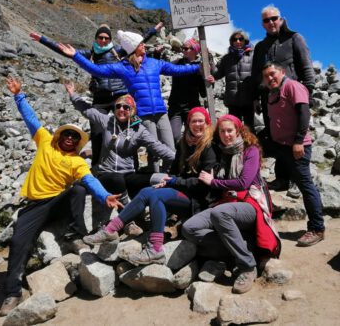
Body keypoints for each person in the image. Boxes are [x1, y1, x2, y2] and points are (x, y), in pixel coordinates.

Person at [0, 76, 122, 317]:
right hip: (35, 204)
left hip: (59, 202)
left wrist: (105, 196)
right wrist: (18, 95)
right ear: (59, 135)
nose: (69, 138)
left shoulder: (77, 161)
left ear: (77, 143)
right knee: (18, 242)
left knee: (77, 189)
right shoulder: (45, 141)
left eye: (74, 137)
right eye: (66, 134)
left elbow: (90, 180)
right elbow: (31, 119)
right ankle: (13, 293)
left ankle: (75, 233)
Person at [82, 107, 218, 266]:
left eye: (201, 121)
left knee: (156, 195)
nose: (197, 124)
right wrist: (168, 181)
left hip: (198, 200)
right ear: (188, 124)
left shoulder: (210, 147)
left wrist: (175, 182)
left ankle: (155, 248)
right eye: (193, 121)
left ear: (207, 123)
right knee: (148, 191)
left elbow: (203, 184)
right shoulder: (183, 143)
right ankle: (111, 230)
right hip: (183, 192)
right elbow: (174, 172)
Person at [58, 31, 201, 171]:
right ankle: (155, 178)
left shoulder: (153, 63)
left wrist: (200, 67)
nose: (144, 45)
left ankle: (171, 176)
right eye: (140, 43)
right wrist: (76, 56)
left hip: (161, 112)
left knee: (169, 147)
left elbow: (177, 70)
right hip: (144, 115)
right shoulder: (123, 67)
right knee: (153, 151)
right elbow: (96, 70)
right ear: (134, 47)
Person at [30, 22, 164, 166]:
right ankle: (97, 166)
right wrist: (42, 40)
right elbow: (64, 50)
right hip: (100, 96)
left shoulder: (119, 51)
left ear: (110, 39)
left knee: (130, 128)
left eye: (107, 38)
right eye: (101, 37)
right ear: (96, 38)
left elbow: (137, 41)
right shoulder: (90, 54)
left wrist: (154, 31)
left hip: (120, 95)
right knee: (97, 131)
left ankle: (135, 165)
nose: (104, 40)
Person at [182, 114, 280, 295]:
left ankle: (247, 266)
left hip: (250, 203)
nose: (226, 135)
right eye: (222, 131)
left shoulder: (251, 151)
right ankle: (239, 247)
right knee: (189, 228)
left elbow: (243, 182)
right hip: (227, 202)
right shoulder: (220, 152)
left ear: (238, 131)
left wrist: (213, 182)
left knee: (220, 214)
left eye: (230, 131)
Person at [64, 82, 175, 205]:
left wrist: (180, 159)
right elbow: (87, 110)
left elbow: (158, 148)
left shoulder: (139, 130)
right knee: (116, 179)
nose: (121, 109)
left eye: (126, 107)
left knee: (159, 178)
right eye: (118, 106)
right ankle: (127, 207)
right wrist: (72, 94)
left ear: (132, 111)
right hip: (106, 173)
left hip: (128, 173)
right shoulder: (107, 121)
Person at [251, 5, 315, 197]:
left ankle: (299, 180)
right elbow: (256, 75)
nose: (270, 23)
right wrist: (256, 96)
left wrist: (306, 95)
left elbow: (306, 67)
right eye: (266, 20)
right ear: (262, 24)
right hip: (268, 101)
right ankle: (282, 178)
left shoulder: (295, 38)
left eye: (274, 18)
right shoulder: (260, 47)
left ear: (281, 19)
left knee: (298, 138)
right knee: (276, 138)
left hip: (293, 100)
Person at [262, 62, 325, 247]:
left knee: (305, 186)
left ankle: (317, 228)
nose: (270, 78)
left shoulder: (293, 86)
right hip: (280, 145)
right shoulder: (272, 92)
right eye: (266, 76)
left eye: (273, 74)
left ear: (282, 72)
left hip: (296, 146)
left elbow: (304, 114)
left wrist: (298, 141)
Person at [207, 30, 254, 129]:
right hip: (233, 101)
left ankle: (250, 145)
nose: (237, 41)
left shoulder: (252, 56)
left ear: (245, 41)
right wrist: (210, 61)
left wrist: (257, 98)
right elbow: (217, 74)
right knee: (234, 128)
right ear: (231, 42)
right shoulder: (226, 58)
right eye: (234, 39)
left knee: (249, 129)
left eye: (240, 39)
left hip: (249, 99)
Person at [167, 38, 206, 144]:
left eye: (186, 48)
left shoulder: (201, 67)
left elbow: (204, 93)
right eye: (182, 48)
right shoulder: (176, 63)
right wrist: (156, 54)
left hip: (192, 107)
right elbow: (162, 68)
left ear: (194, 50)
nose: (183, 50)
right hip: (176, 108)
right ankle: (181, 156)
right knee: (175, 137)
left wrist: (205, 74)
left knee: (194, 136)